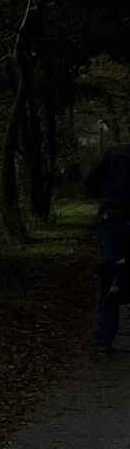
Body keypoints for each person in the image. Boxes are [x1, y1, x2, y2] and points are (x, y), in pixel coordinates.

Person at [85, 141, 130, 352]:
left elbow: (92, 184)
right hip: (114, 215)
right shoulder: (114, 154)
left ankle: (103, 338)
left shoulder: (114, 154)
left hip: (111, 217)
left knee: (110, 275)